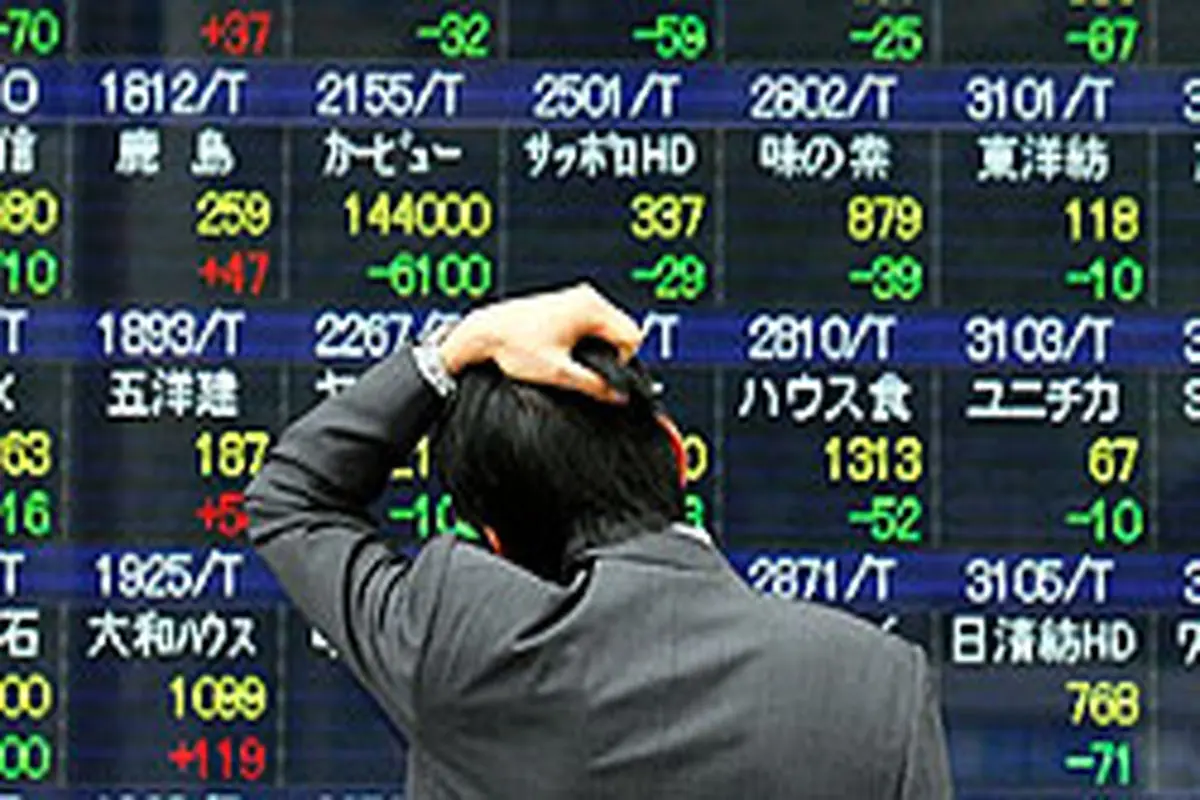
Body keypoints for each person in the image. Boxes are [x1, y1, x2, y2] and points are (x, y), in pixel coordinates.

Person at [244, 283, 954, 799]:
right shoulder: (878, 684)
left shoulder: (464, 650)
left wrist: (458, 347)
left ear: (495, 541)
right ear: (676, 453)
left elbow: (294, 497)